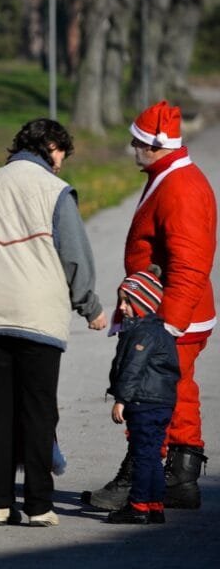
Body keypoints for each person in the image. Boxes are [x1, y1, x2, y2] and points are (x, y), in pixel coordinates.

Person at [0, 118, 108, 527]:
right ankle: (39, 504)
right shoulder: (54, 191)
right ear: (48, 146)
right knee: (38, 412)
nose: (61, 164)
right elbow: (74, 254)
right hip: (38, 318)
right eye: (61, 153)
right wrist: (89, 305)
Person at [85, 101, 216, 511]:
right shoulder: (170, 175)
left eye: (138, 141)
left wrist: (167, 326)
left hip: (170, 317)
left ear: (156, 145)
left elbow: (190, 264)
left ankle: (143, 476)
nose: (131, 147)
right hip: (167, 313)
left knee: (148, 398)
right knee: (178, 392)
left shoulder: (180, 187)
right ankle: (178, 477)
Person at [105, 266, 179, 525]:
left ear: (143, 302)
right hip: (161, 404)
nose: (122, 307)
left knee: (141, 455)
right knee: (152, 455)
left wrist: (121, 400)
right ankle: (155, 505)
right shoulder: (161, 332)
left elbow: (133, 369)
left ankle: (137, 506)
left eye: (127, 301)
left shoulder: (143, 333)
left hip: (144, 402)